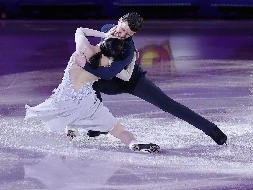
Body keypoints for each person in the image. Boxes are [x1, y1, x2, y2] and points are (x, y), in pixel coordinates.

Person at [83, 12, 228, 145]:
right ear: (119, 20)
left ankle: (212, 130)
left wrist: (84, 65)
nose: (122, 35)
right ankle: (100, 123)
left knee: (168, 104)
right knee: (87, 82)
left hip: (132, 81)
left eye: (128, 34)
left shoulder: (128, 50)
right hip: (111, 82)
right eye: (122, 29)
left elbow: (108, 73)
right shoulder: (105, 28)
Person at [25, 27, 160, 153]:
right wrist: (132, 60)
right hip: (86, 104)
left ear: (105, 42)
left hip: (63, 99)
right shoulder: (108, 65)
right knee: (116, 129)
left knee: (66, 113)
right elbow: (126, 77)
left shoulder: (83, 48)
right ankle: (132, 143)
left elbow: (80, 30)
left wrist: (105, 34)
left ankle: (70, 129)